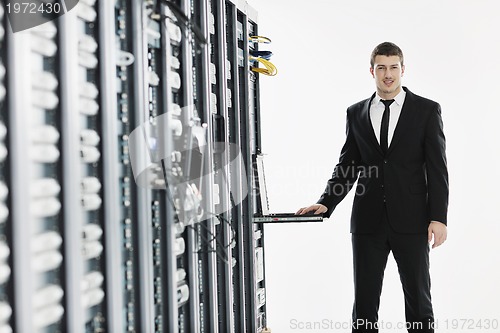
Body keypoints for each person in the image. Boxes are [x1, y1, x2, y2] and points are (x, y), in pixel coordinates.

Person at [296, 42, 448, 333]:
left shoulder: (427, 110)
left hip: (413, 220)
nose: (387, 74)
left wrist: (438, 217)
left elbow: (438, 168)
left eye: (393, 67)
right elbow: (348, 165)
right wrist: (327, 201)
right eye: (381, 68)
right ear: (372, 71)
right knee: (364, 303)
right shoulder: (356, 113)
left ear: (403, 70)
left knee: (419, 300)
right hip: (368, 222)